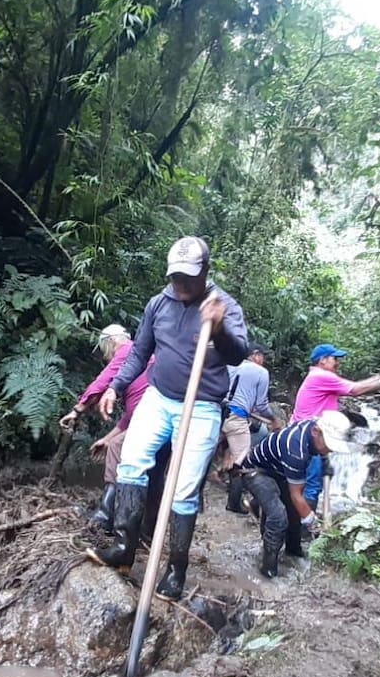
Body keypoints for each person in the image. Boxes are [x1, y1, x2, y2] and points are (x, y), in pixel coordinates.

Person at [87, 236, 249, 601]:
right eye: (175, 277)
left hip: (203, 405)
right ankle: (124, 549)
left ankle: (176, 570)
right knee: (131, 463)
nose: (181, 285)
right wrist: (115, 387)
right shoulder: (158, 304)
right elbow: (139, 351)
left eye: (188, 278)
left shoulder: (223, 306)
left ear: (205, 272)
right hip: (158, 398)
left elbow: (238, 355)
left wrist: (219, 328)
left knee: (184, 488)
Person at [240, 412, 356, 578]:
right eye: (329, 444)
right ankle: (268, 568)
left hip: (279, 471)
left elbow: (296, 498)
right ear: (316, 432)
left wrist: (325, 463)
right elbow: (296, 495)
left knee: (293, 513)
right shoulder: (296, 450)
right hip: (255, 472)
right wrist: (312, 521)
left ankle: (293, 552)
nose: (330, 449)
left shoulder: (313, 427)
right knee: (279, 516)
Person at [291, 344, 380, 509]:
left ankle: (297, 520)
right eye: (335, 359)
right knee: (311, 487)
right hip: (310, 438)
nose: (338, 362)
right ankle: (302, 527)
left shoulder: (317, 376)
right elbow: (355, 390)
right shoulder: (322, 377)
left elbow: (353, 385)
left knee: (308, 483)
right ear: (323, 360)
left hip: (308, 436)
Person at [59, 324, 150, 531]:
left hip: (152, 417)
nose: (105, 355)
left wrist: (77, 410)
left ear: (110, 342)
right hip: (150, 417)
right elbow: (130, 419)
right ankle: (133, 521)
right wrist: (106, 439)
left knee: (118, 448)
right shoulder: (143, 354)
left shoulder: (128, 350)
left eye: (103, 349)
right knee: (117, 446)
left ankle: (105, 516)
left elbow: (103, 381)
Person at [221, 345, 280, 514]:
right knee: (243, 461)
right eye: (263, 357)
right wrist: (274, 419)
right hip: (236, 419)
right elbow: (261, 405)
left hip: (218, 413)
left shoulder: (231, 365)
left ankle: (199, 501)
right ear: (255, 355)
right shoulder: (261, 373)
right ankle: (234, 502)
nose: (264, 361)